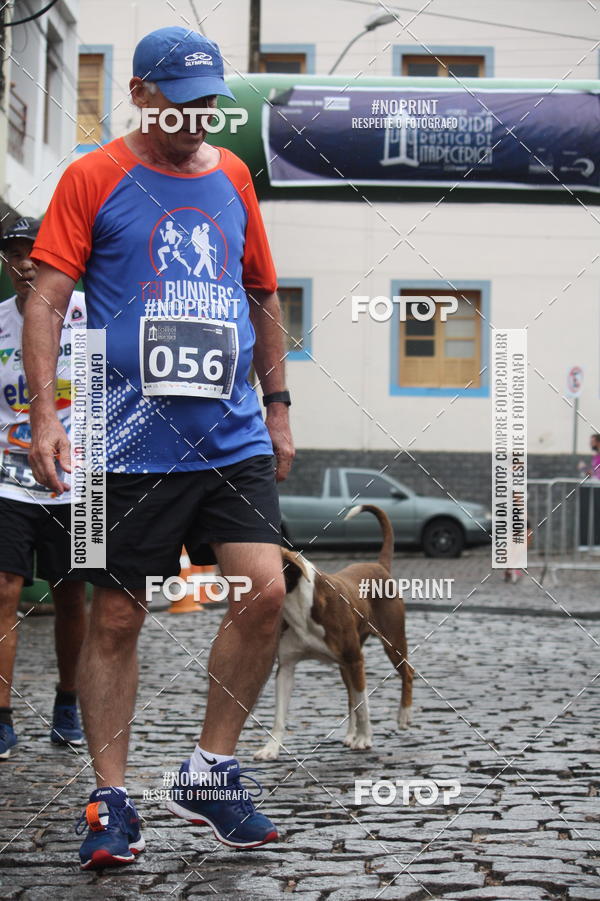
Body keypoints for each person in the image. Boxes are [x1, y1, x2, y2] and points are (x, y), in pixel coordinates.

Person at [23, 27, 294, 870]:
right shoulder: (93, 176)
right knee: (117, 615)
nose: (196, 117)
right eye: (179, 101)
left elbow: (262, 294)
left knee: (265, 591)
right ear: (140, 94)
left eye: (209, 101)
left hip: (230, 435)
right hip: (121, 443)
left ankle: (211, 770)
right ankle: (110, 798)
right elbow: (45, 300)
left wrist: (278, 406)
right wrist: (45, 416)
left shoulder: (235, 177)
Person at [0, 216, 87, 758]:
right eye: (13, 252)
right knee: (5, 588)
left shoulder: (87, 315)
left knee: (73, 593)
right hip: (7, 474)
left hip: (79, 479)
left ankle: (69, 702)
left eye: (35, 250)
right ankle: (2, 715)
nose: (26, 261)